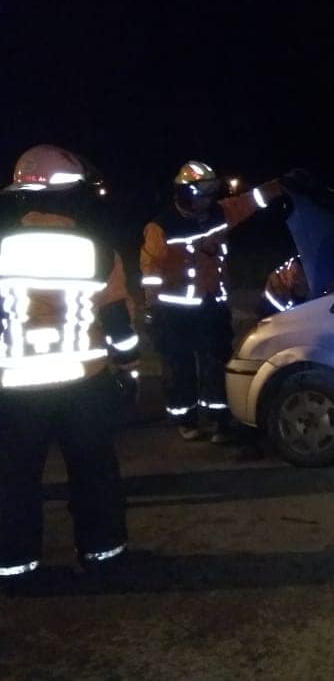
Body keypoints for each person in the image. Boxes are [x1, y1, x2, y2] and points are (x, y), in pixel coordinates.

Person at [0, 145, 140, 590]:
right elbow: (118, 325)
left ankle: (15, 566)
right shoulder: (98, 251)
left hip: (14, 392)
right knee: (94, 474)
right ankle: (103, 556)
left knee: (14, 481)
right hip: (84, 387)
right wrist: (129, 370)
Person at [140, 161, 281, 443]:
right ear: (184, 193)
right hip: (174, 310)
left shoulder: (219, 213)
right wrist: (153, 307)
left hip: (211, 305)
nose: (207, 201)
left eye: (210, 193)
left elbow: (249, 201)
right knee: (179, 366)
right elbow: (150, 269)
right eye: (201, 194)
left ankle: (219, 419)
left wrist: (280, 186)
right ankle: (185, 419)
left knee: (217, 360)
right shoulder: (161, 226)